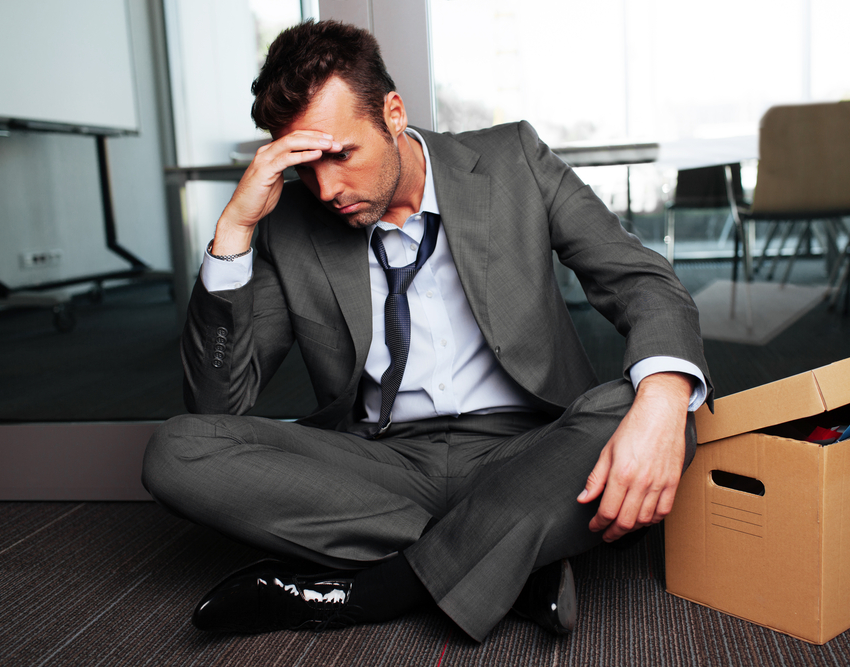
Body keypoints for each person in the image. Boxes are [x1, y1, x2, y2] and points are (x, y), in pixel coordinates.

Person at [142, 19, 712, 643]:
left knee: (656, 402)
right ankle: (512, 555)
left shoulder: (514, 160)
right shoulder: (291, 222)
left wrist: (661, 401)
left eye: (340, 155)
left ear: (392, 114)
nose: (326, 188)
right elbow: (218, 402)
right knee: (179, 449)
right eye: (305, 165)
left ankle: (373, 590)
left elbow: (642, 281)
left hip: (529, 449)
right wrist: (234, 230)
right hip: (381, 462)